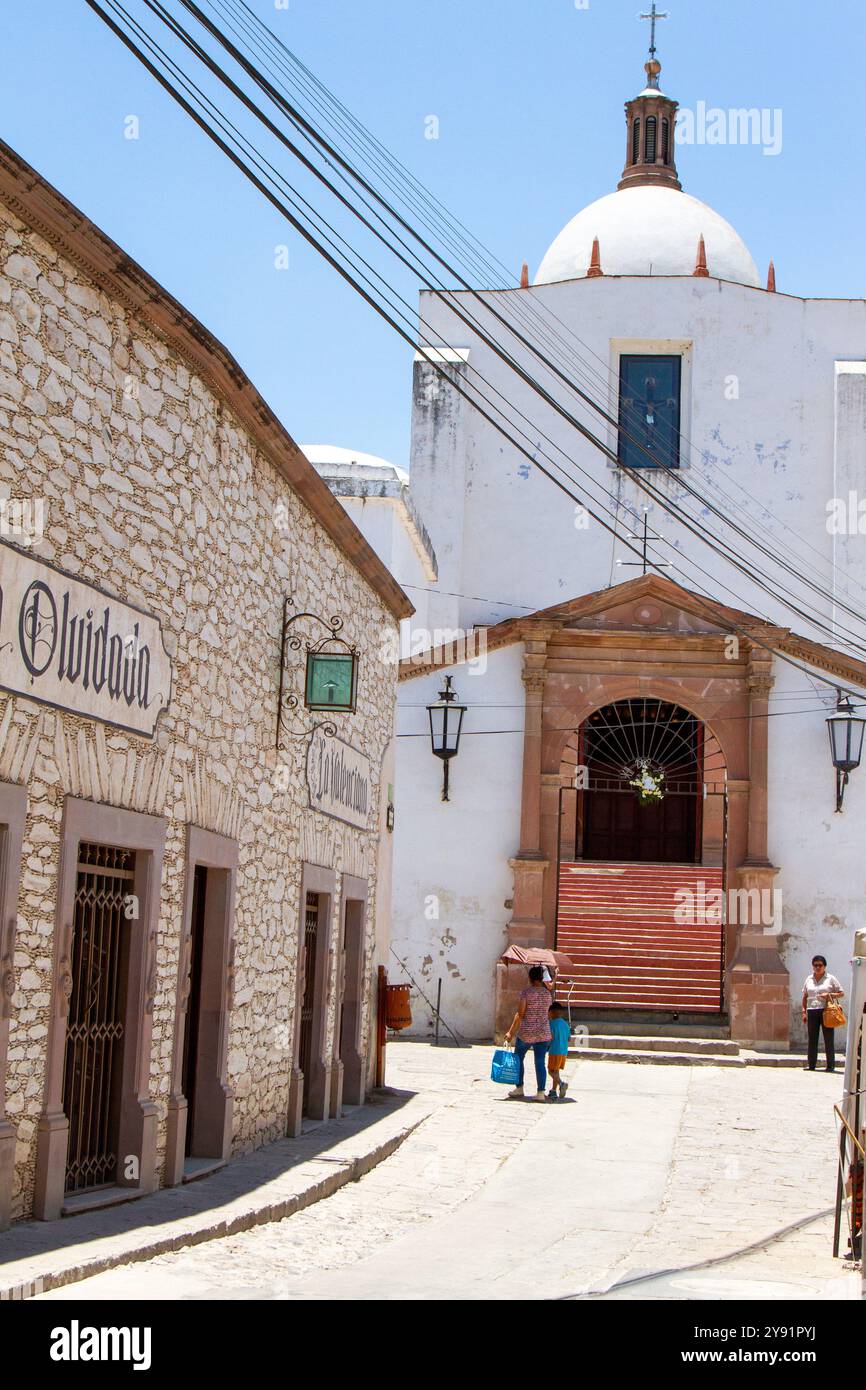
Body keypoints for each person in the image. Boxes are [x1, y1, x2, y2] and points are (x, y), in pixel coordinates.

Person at [503, 965, 551, 1100]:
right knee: (540, 1062)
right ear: (541, 978)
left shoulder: (526, 993)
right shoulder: (548, 994)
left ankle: (519, 1088)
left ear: (530, 978)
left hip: (527, 1032)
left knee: (518, 1059)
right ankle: (541, 1092)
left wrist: (510, 1032)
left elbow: (520, 1013)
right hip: (543, 1032)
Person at [801, 955, 845, 1072]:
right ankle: (811, 1064)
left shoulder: (830, 978)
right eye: (815, 965)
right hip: (812, 1010)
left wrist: (829, 995)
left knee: (828, 1038)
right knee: (812, 1039)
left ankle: (830, 1065)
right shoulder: (809, 979)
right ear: (812, 966)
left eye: (820, 965)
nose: (818, 967)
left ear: (824, 966)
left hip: (826, 1011)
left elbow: (841, 993)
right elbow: (805, 996)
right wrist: (804, 1011)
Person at [546, 1001, 571, 1101]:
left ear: (552, 1012)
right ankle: (553, 1090)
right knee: (556, 1071)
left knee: (550, 1071)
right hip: (563, 1051)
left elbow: (550, 1037)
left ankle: (561, 1084)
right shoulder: (565, 1024)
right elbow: (569, 1039)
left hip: (554, 1051)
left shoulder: (551, 1024)